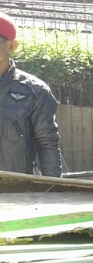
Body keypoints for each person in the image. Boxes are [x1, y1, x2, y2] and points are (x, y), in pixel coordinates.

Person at [0, 15, 61, 177]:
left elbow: (47, 144)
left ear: (12, 46)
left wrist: (53, 189)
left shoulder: (34, 91)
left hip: (17, 191)